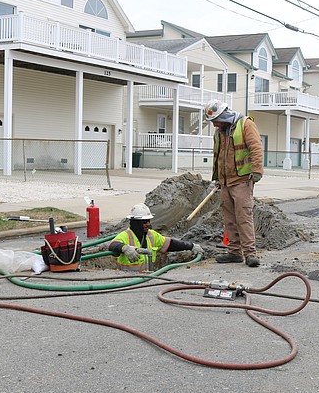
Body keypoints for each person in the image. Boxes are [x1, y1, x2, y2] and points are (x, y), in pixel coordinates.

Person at [204, 99, 264, 267]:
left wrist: (257, 171)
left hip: (242, 180)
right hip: (225, 182)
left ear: (223, 116)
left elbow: (256, 148)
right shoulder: (220, 132)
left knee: (243, 217)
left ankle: (250, 253)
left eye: (215, 121)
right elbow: (219, 157)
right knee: (229, 218)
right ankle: (234, 252)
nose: (214, 125)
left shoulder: (245, 124)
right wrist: (217, 178)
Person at [108, 204, 203, 271]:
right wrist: (125, 248)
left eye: (148, 221)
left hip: (147, 279)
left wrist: (191, 246)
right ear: (135, 223)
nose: (148, 224)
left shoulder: (152, 235)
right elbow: (112, 245)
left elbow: (171, 244)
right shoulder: (126, 236)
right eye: (144, 222)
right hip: (127, 279)